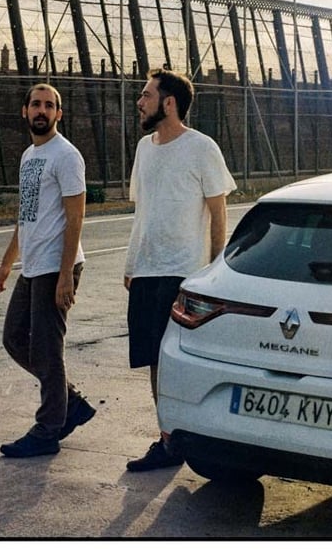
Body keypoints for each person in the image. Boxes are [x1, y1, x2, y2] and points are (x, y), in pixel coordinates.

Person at [124, 68, 236, 472]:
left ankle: (203, 437)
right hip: (147, 271)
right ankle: (168, 440)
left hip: (185, 272)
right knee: (154, 359)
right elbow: (144, 211)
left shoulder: (202, 147)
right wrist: (131, 263)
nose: (140, 101)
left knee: (183, 360)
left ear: (168, 103)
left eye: (147, 95)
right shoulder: (144, 148)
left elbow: (217, 210)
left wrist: (215, 269)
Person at [0, 83, 95, 458]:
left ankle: (48, 429)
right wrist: (6, 263)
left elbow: (75, 216)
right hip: (33, 266)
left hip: (56, 265)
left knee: (48, 349)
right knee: (14, 338)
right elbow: (26, 214)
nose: (42, 110)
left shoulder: (66, 156)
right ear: (25, 111)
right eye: (36, 104)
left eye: (49, 105)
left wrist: (66, 274)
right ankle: (71, 403)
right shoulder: (28, 156)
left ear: (58, 114)